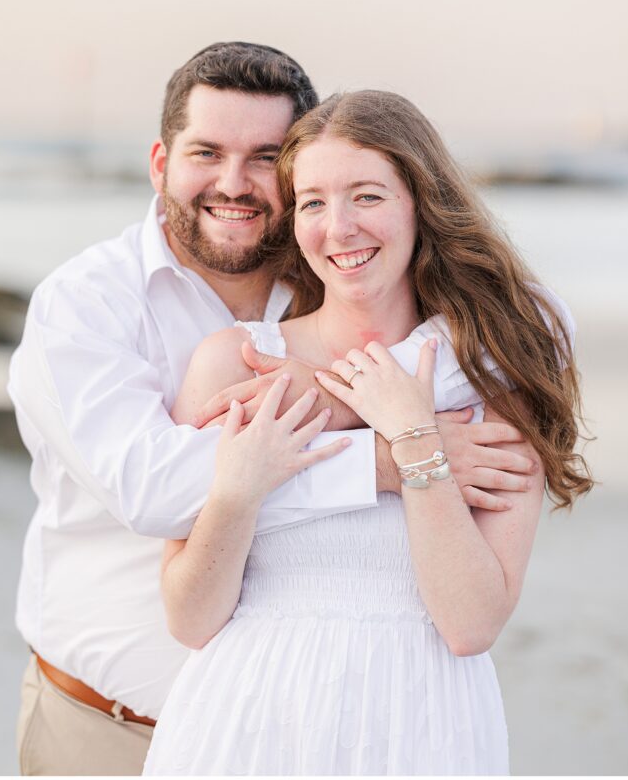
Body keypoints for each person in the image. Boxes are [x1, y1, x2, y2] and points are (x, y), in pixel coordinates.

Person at [9, 46, 537, 776]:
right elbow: (154, 493)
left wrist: (383, 412)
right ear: (160, 163)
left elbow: (531, 333)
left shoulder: (339, 286)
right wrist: (383, 448)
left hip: (376, 728)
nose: (234, 183)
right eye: (206, 152)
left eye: (263, 157)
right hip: (107, 722)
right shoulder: (86, 303)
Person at [144, 90, 592, 776]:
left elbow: (470, 624)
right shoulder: (234, 361)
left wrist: (413, 433)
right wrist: (237, 489)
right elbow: (191, 620)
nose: (340, 228)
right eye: (315, 203)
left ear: (420, 201)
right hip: (248, 715)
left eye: (367, 196)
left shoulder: (492, 367)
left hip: (422, 717)